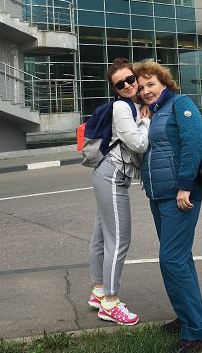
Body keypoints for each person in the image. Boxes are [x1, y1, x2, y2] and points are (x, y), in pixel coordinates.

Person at [133, 60, 202, 353]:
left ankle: (198, 334)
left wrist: (185, 185)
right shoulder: (153, 112)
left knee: (172, 260)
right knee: (180, 259)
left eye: (150, 84)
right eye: (141, 88)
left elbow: (195, 140)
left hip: (180, 194)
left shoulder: (180, 103)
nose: (145, 91)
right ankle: (186, 317)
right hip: (159, 195)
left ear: (165, 82)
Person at [88, 58, 150, 326]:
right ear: (114, 89)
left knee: (102, 236)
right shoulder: (123, 108)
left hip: (106, 174)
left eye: (129, 79)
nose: (127, 85)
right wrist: (145, 122)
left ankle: (98, 291)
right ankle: (110, 303)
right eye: (119, 84)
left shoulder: (130, 105)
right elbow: (138, 144)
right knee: (119, 240)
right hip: (112, 177)